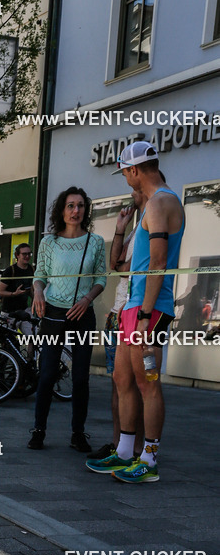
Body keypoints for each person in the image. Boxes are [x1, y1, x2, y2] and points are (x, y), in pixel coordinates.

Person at [86, 141, 184, 484]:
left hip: (151, 309)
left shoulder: (163, 202)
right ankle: (125, 452)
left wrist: (143, 317)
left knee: (148, 383)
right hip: (135, 306)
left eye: (125, 173)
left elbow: (158, 263)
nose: (125, 180)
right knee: (122, 379)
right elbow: (127, 265)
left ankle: (150, 460)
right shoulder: (150, 205)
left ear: (134, 170)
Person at [27, 187, 106, 451]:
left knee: (81, 377)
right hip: (54, 314)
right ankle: (39, 430)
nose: (76, 211)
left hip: (83, 314)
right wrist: (38, 291)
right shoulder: (49, 242)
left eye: (81, 206)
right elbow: (40, 274)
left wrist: (86, 299)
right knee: (48, 373)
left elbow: (101, 278)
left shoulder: (94, 242)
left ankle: (78, 433)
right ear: (62, 210)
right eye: (71, 205)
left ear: (86, 210)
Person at [89, 190, 146, 462]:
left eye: (135, 188)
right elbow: (115, 265)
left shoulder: (152, 224)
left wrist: (122, 265)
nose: (131, 192)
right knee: (119, 386)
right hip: (117, 315)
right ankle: (118, 444)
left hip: (134, 314)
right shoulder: (136, 228)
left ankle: (137, 449)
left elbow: (127, 268)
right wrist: (120, 230)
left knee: (138, 387)